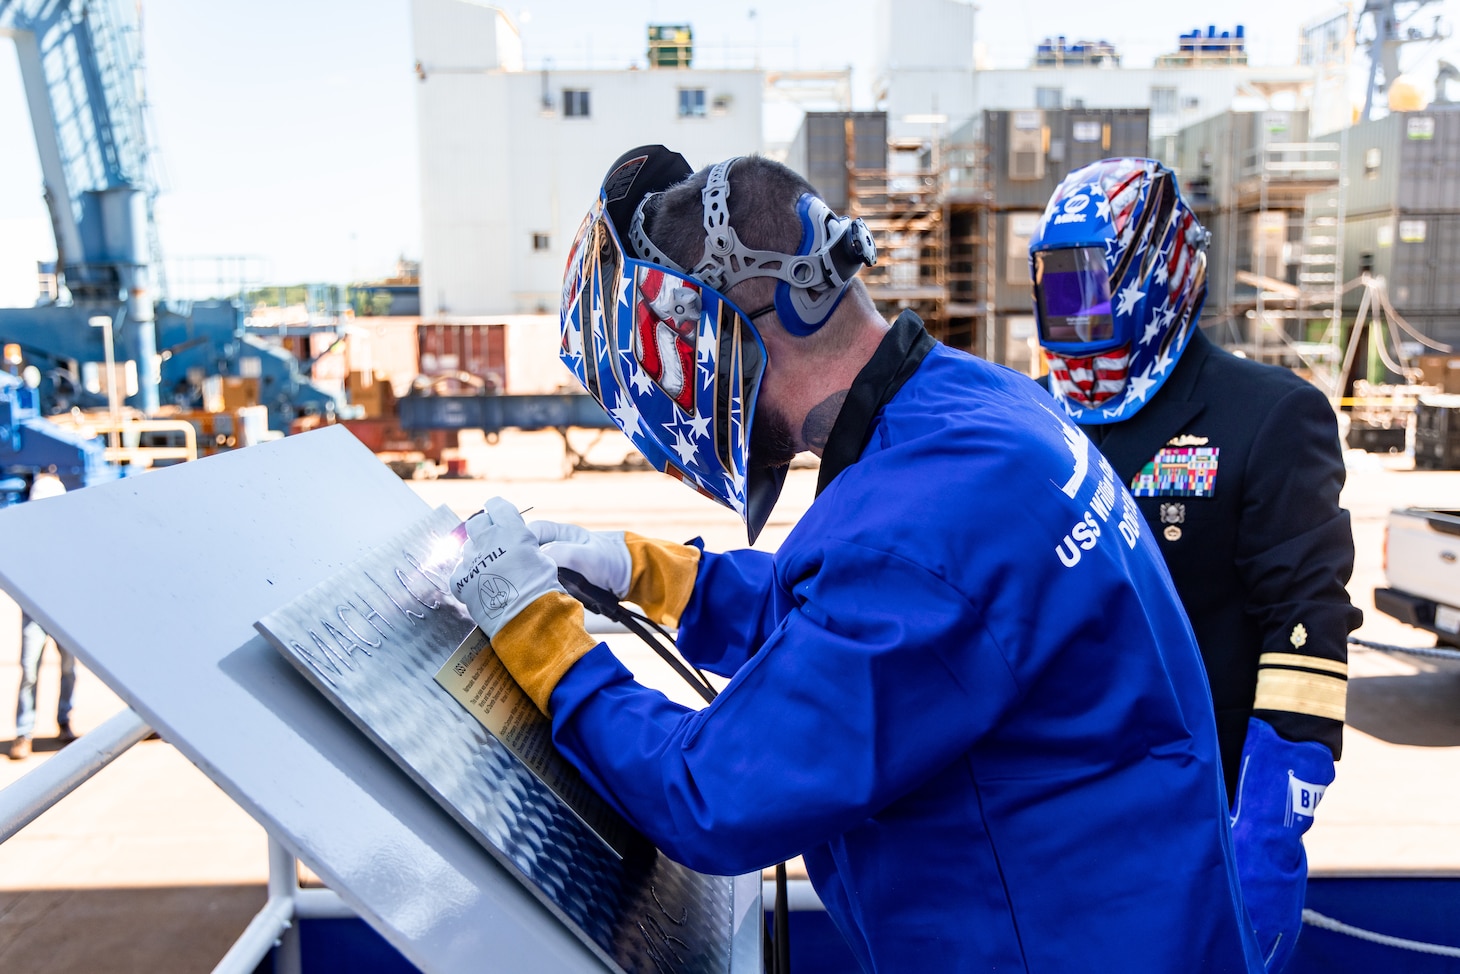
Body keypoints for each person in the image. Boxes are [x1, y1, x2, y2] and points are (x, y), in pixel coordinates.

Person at [449, 146, 1263, 971]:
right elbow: (863, 622)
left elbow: (711, 794)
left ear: (731, 327)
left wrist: (541, 639)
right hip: (1138, 920)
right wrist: (650, 574)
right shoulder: (972, 405)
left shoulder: (918, 531)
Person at [1029, 157, 1362, 972]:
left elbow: (1306, 640)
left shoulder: (1270, 417)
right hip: (1048, 835)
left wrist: (1267, 831)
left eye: (1089, 283)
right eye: (1054, 285)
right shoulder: (1027, 417)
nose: (1071, 310)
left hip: (1190, 846)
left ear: (1156, 273)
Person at [8, 472, 79, 761]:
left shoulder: (71, 537)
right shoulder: (22, 534)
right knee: (29, 670)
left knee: (68, 670)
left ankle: (64, 723)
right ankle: (24, 733)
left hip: (64, 613)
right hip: (34, 612)